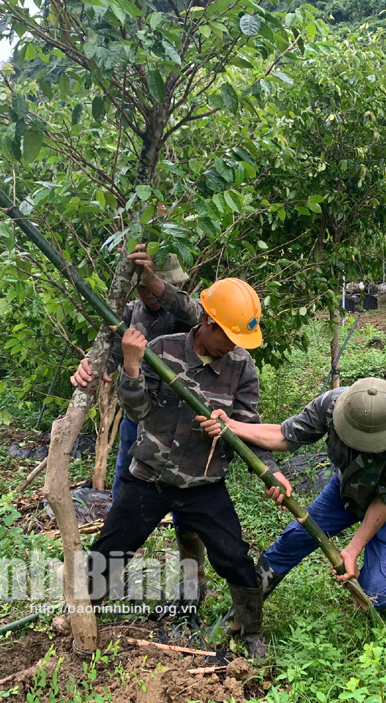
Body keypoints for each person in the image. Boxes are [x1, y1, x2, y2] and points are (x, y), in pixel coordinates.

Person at [83, 272, 291, 658]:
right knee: (110, 549)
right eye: (228, 337)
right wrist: (130, 368)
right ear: (207, 323)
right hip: (149, 478)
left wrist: (249, 450)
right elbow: (138, 410)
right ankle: (82, 616)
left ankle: (251, 632)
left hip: (204, 484)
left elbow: (249, 427)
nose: (232, 347)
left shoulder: (241, 368)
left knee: (235, 559)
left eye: (239, 341)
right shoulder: (163, 351)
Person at [198, 377, 386, 620]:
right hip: (347, 488)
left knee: (376, 590)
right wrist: (232, 426)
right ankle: (242, 613)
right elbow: (284, 435)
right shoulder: (333, 404)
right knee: (292, 542)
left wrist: (351, 551)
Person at [69, 254, 209, 604]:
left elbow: (193, 313)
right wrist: (91, 364)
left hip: (182, 426)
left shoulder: (185, 311)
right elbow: (112, 354)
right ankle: (103, 583)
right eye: (142, 287)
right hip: (139, 421)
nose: (148, 294)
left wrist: (154, 281)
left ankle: (192, 587)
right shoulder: (131, 313)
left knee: (187, 513)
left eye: (154, 286)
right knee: (126, 504)